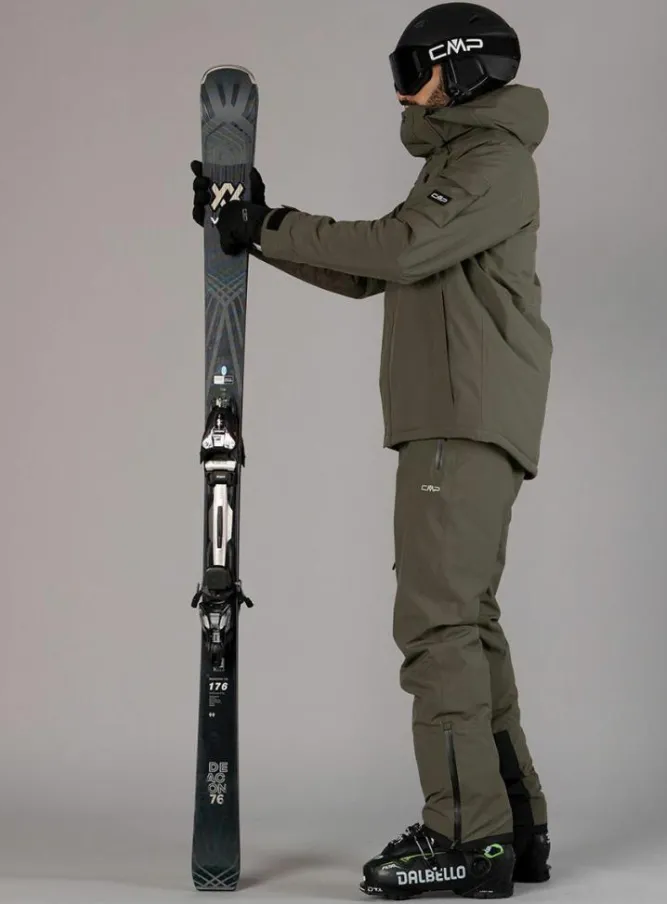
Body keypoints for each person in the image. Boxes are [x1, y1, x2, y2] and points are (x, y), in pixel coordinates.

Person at [191, 3, 553, 898]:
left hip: (460, 420)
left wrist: (266, 223)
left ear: (462, 69)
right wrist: (256, 229)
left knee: (437, 627)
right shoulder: (461, 163)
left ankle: (465, 837)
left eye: (412, 70)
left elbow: (398, 249)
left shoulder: (489, 161)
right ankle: (511, 829)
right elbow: (373, 269)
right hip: (461, 417)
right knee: (466, 622)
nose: (401, 90)